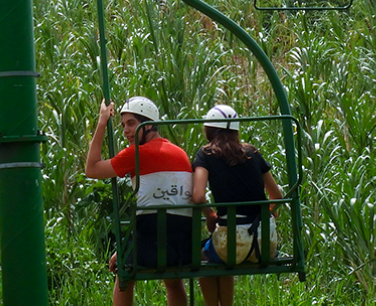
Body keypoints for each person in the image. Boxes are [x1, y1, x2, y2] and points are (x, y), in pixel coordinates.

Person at [85, 96, 193, 306]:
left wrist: (101, 123)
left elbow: (92, 169)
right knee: (173, 279)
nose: (126, 130)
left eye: (132, 123)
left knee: (123, 272)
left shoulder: (136, 154)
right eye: (124, 124)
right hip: (183, 243)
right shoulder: (181, 153)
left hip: (152, 240)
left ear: (149, 124)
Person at [191, 105, 284, 306]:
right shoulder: (252, 153)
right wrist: (267, 215)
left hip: (229, 246)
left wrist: (210, 215)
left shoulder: (206, 155)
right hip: (265, 244)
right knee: (223, 253)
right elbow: (277, 195)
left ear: (208, 130)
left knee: (203, 256)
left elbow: (197, 196)